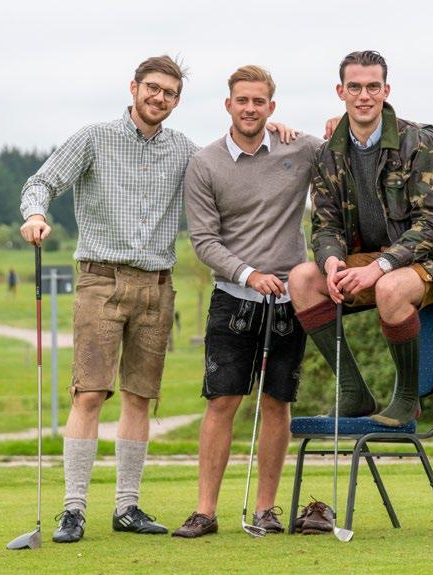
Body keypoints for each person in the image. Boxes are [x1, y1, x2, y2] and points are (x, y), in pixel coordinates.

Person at [18, 55, 295, 544]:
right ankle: (73, 510)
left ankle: (127, 507)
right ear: (134, 88)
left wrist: (269, 128)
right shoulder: (94, 138)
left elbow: (232, 156)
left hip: (157, 287)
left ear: (177, 100)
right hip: (100, 280)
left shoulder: (185, 150)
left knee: (140, 396)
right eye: (152, 88)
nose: (159, 97)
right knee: (89, 393)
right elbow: (41, 182)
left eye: (169, 93)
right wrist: (36, 215)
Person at [174, 65, 322, 538]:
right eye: (243, 100)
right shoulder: (205, 163)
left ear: (271, 107)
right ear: (228, 104)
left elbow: (343, 149)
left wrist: (335, 124)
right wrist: (249, 274)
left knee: (277, 403)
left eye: (260, 101)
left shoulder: (299, 148)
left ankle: (266, 510)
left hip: (289, 302)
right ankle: (205, 511)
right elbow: (204, 240)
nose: (251, 108)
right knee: (222, 402)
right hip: (233, 299)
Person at [289, 50, 433, 428]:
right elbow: (325, 226)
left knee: (389, 286)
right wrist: (331, 261)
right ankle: (353, 392)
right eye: (354, 87)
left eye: (373, 87)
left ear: (386, 91)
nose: (364, 96)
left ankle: (407, 399)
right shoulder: (326, 155)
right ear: (340, 91)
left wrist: (379, 267)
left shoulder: (419, 142)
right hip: (380, 258)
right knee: (303, 279)